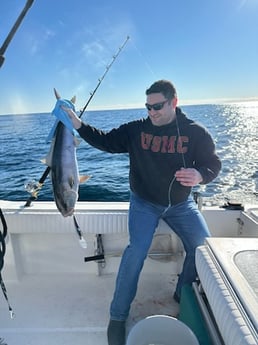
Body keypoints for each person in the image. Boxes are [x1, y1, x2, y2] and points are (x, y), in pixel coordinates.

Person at [62, 80, 221, 345]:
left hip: (181, 205)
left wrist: (200, 175)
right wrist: (77, 124)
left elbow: (213, 164)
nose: (151, 112)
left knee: (203, 247)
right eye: (148, 107)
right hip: (144, 203)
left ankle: (184, 292)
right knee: (136, 250)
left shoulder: (196, 133)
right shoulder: (137, 130)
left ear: (174, 102)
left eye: (157, 106)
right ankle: (117, 317)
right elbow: (106, 141)